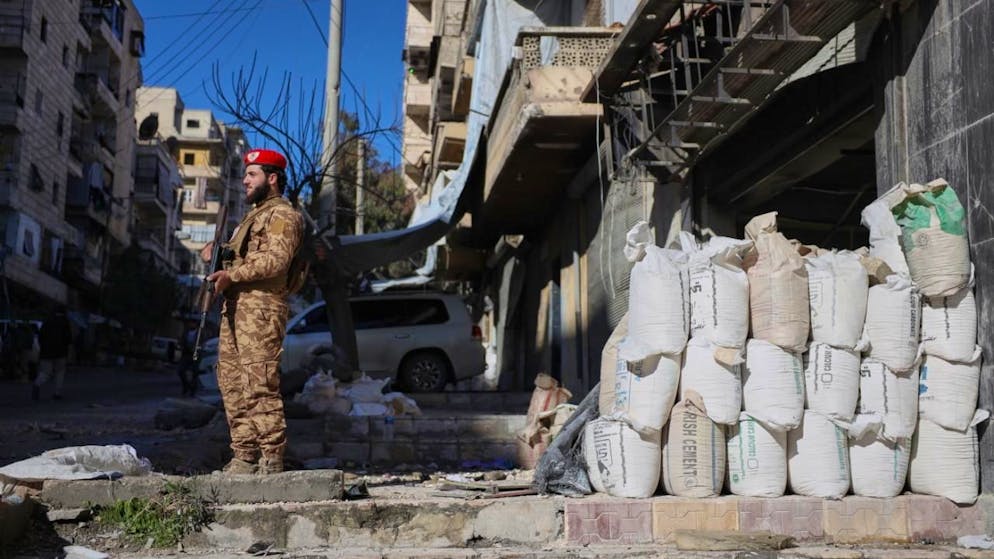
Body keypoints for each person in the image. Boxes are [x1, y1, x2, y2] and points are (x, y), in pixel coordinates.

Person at [204, 148, 303, 475]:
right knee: (232, 381)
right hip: (236, 308)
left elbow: (277, 260)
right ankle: (245, 456)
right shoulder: (253, 216)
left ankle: (271, 457)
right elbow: (240, 256)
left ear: (272, 179)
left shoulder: (283, 216)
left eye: (252, 174)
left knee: (259, 380)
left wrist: (233, 274)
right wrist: (218, 255)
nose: (245, 180)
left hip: (261, 308)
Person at [33, 309, 73, 401]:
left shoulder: (46, 322)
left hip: (46, 352)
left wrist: (43, 347)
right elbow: (68, 339)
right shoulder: (64, 322)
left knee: (45, 372)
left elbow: (40, 337)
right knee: (60, 372)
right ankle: (57, 393)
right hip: (61, 352)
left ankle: (37, 384)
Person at [177, 319, 200, 397]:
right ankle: (186, 386)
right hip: (186, 354)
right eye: (190, 323)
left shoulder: (200, 333)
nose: (191, 324)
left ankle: (192, 390)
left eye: (193, 323)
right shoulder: (186, 332)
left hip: (195, 355)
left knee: (195, 373)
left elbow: (203, 343)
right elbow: (181, 341)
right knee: (180, 371)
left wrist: (197, 348)